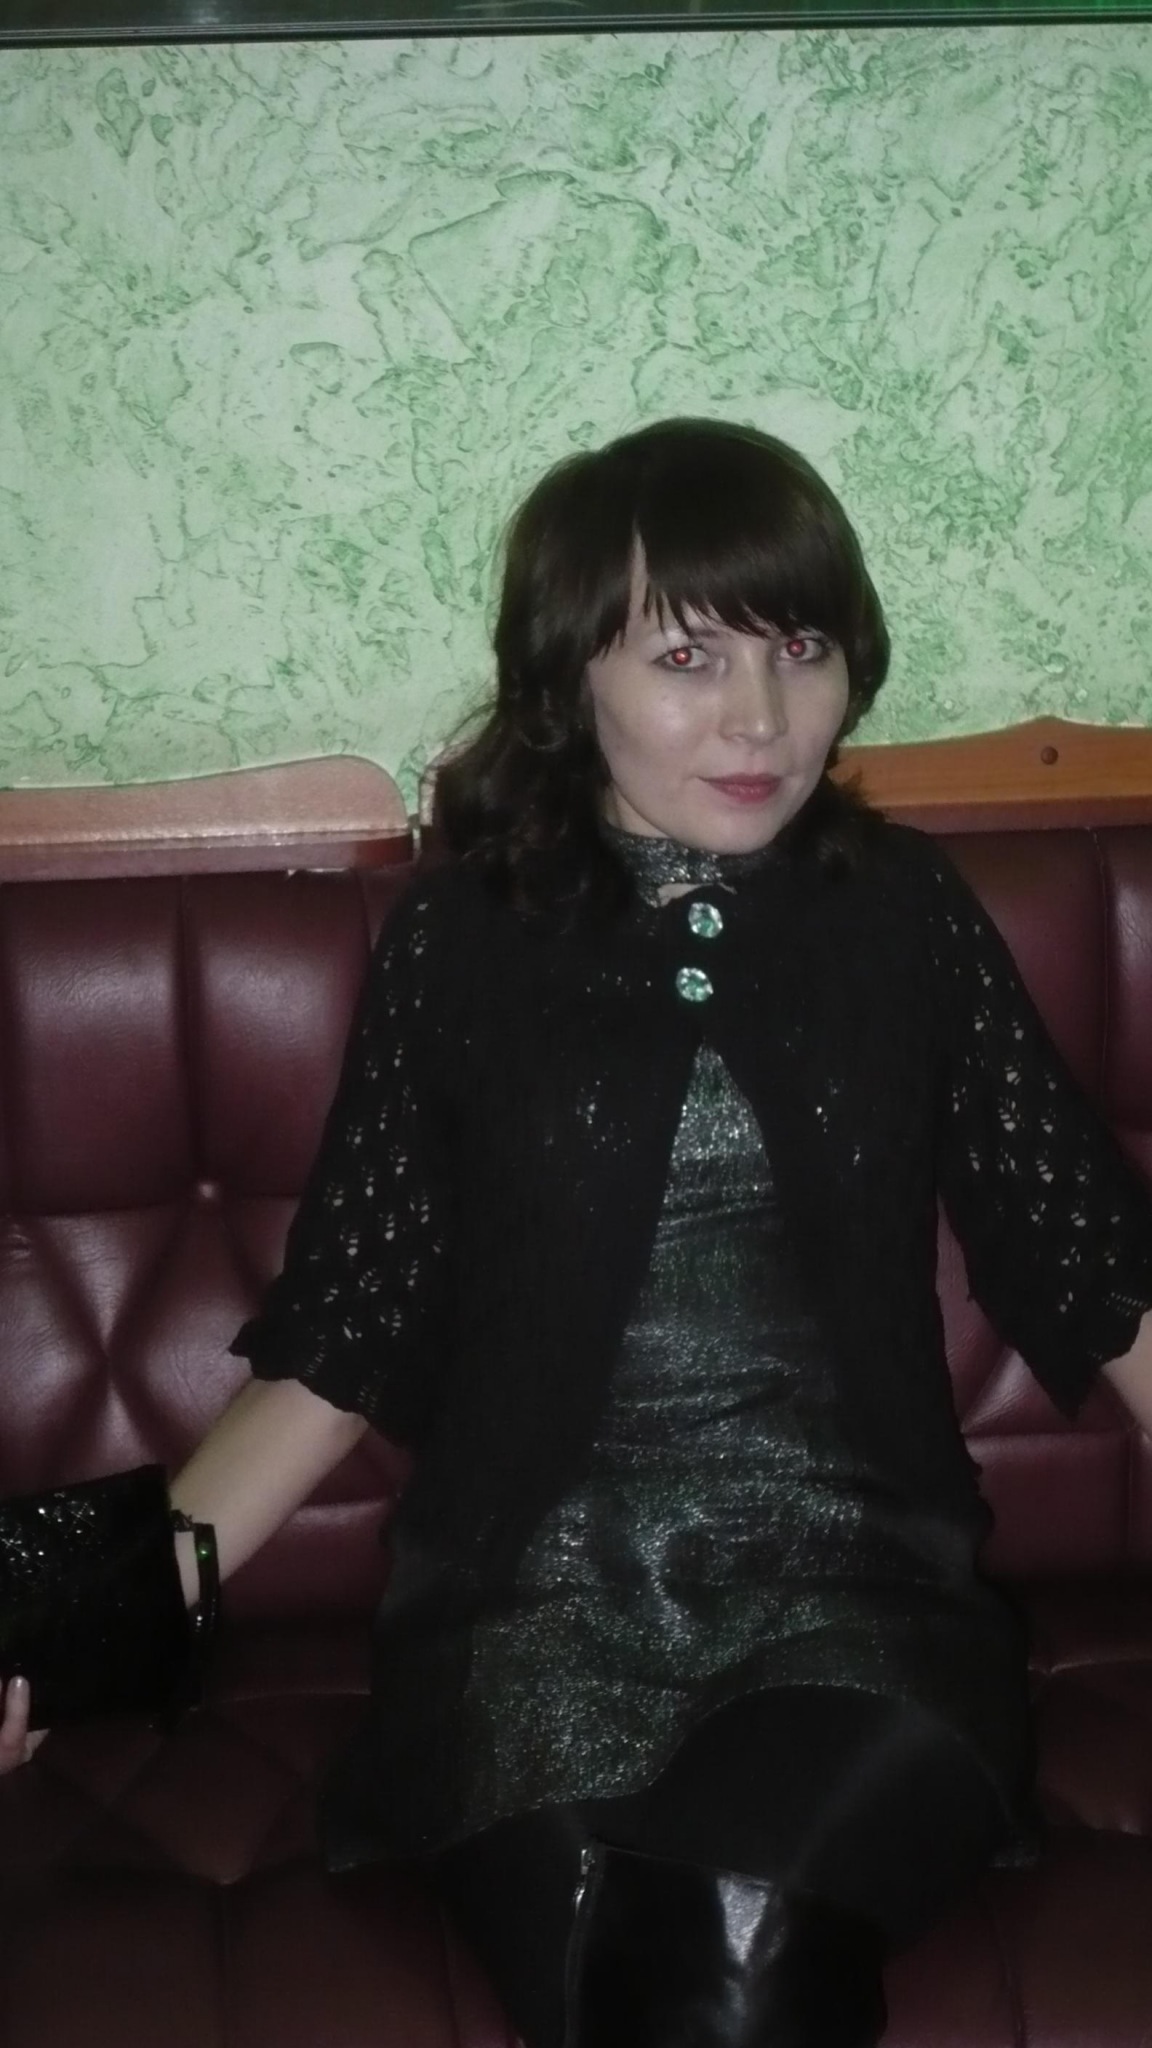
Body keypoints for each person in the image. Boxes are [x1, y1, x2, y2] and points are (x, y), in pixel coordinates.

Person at [4, 416, 1152, 2048]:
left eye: (801, 649)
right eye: (687, 656)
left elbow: (1098, 1271)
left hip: (863, 1608)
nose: (761, 717)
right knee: (675, 1994)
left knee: (725, 1965)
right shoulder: (460, 945)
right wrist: (59, 1638)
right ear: (570, 677)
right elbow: (339, 1340)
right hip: (530, 1628)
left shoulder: (906, 918)